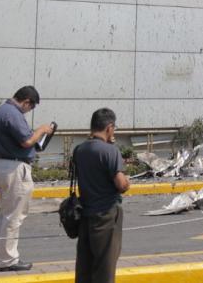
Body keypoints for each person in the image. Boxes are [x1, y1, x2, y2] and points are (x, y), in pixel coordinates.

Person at [0, 86, 54, 272]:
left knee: (6, 212)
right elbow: (27, 141)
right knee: (15, 216)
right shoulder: (12, 113)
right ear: (27, 101)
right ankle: (8, 260)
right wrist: (42, 130)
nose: (29, 111)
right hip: (14, 168)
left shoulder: (0, 110)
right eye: (31, 107)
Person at [73, 108, 130, 283]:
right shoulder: (110, 151)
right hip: (106, 214)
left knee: (85, 266)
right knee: (105, 267)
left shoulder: (79, 150)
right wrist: (128, 182)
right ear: (109, 127)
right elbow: (121, 185)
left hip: (85, 214)